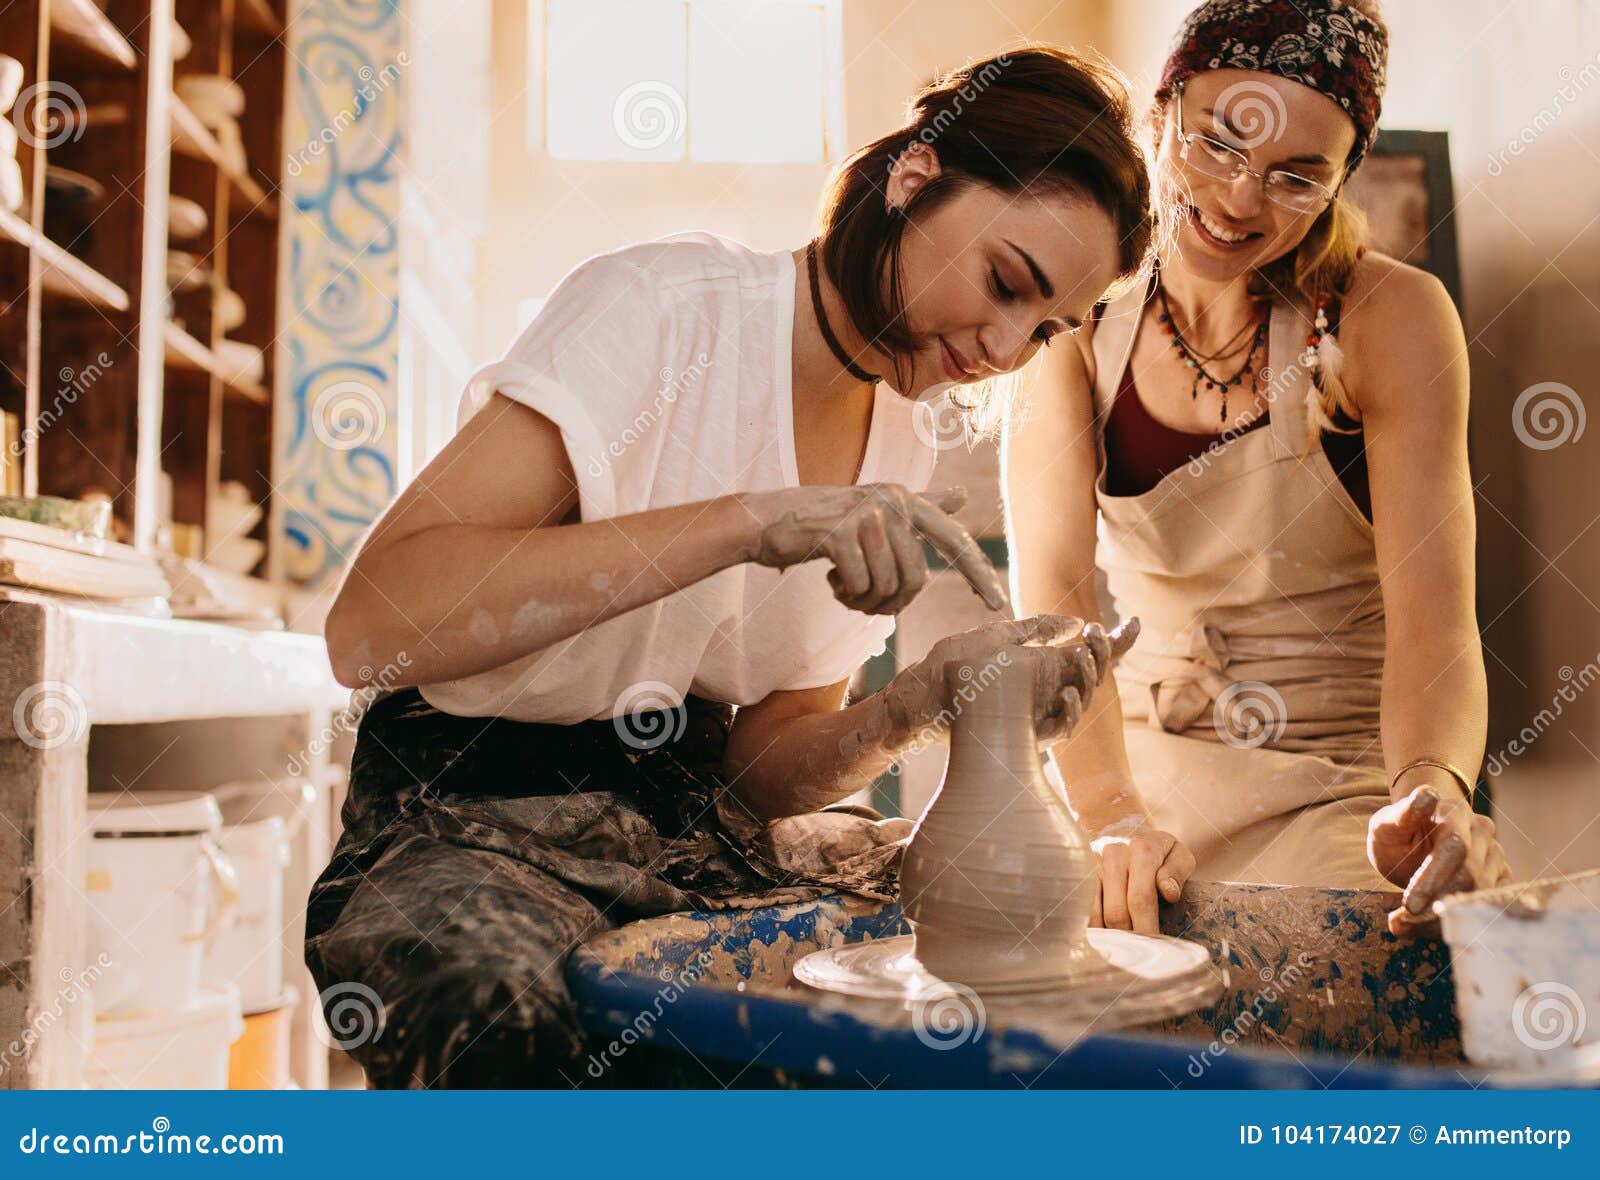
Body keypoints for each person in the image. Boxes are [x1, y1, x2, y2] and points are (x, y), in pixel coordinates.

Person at [307, 46, 1155, 1087]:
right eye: (1005, 283)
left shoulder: (902, 439)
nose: (1005, 345)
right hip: (470, 807)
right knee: (500, 1021)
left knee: (946, 996)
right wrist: (749, 521)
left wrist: (925, 704)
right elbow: (372, 626)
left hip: (686, 830)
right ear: (915, 175)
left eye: (1047, 327)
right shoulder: (663, 310)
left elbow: (762, 767)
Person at [1006, 0, 1513, 938]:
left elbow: (1436, 626)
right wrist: (1110, 817)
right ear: (1161, 117)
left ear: (1342, 179)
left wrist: (1431, 792)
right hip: (1125, 766)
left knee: (1357, 970)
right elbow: (1053, 610)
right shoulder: (1078, 311)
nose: (1241, 201)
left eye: (1295, 175)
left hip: (1337, 785)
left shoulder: (1389, 319)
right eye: (1217, 146)